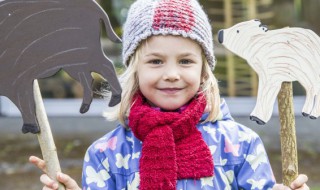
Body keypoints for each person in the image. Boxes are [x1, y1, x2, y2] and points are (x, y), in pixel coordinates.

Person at [29, 0, 310, 189]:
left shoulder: (239, 145)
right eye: (156, 61)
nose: (172, 74)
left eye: (185, 61)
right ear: (134, 69)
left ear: (203, 71)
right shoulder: (107, 154)